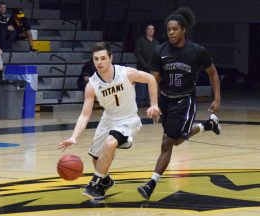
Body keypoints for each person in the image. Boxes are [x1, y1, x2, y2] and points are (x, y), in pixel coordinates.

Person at [137, 7, 221, 200]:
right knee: (177, 139)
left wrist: (217, 99)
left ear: (184, 30)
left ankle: (151, 184)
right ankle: (208, 124)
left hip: (185, 101)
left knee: (168, 142)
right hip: (166, 100)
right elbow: (153, 79)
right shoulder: (160, 51)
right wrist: (154, 103)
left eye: (175, 29)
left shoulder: (197, 51)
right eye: (168, 30)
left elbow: (213, 73)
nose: (171, 33)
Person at [58, 42, 160, 200]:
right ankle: (105, 181)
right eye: (96, 59)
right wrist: (74, 136)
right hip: (108, 119)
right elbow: (85, 115)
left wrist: (154, 104)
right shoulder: (92, 85)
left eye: (103, 58)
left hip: (128, 119)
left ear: (110, 58)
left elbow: (151, 79)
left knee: (110, 143)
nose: (99, 62)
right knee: (95, 157)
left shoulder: (126, 73)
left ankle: (95, 183)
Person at [134, 24, 159, 107]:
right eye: (149, 29)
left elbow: (158, 54)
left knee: (152, 84)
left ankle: (150, 101)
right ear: (146, 30)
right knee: (141, 85)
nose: (151, 30)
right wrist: (144, 64)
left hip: (153, 68)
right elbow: (138, 54)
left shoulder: (156, 42)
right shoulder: (140, 41)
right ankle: (140, 102)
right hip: (142, 67)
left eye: (152, 29)